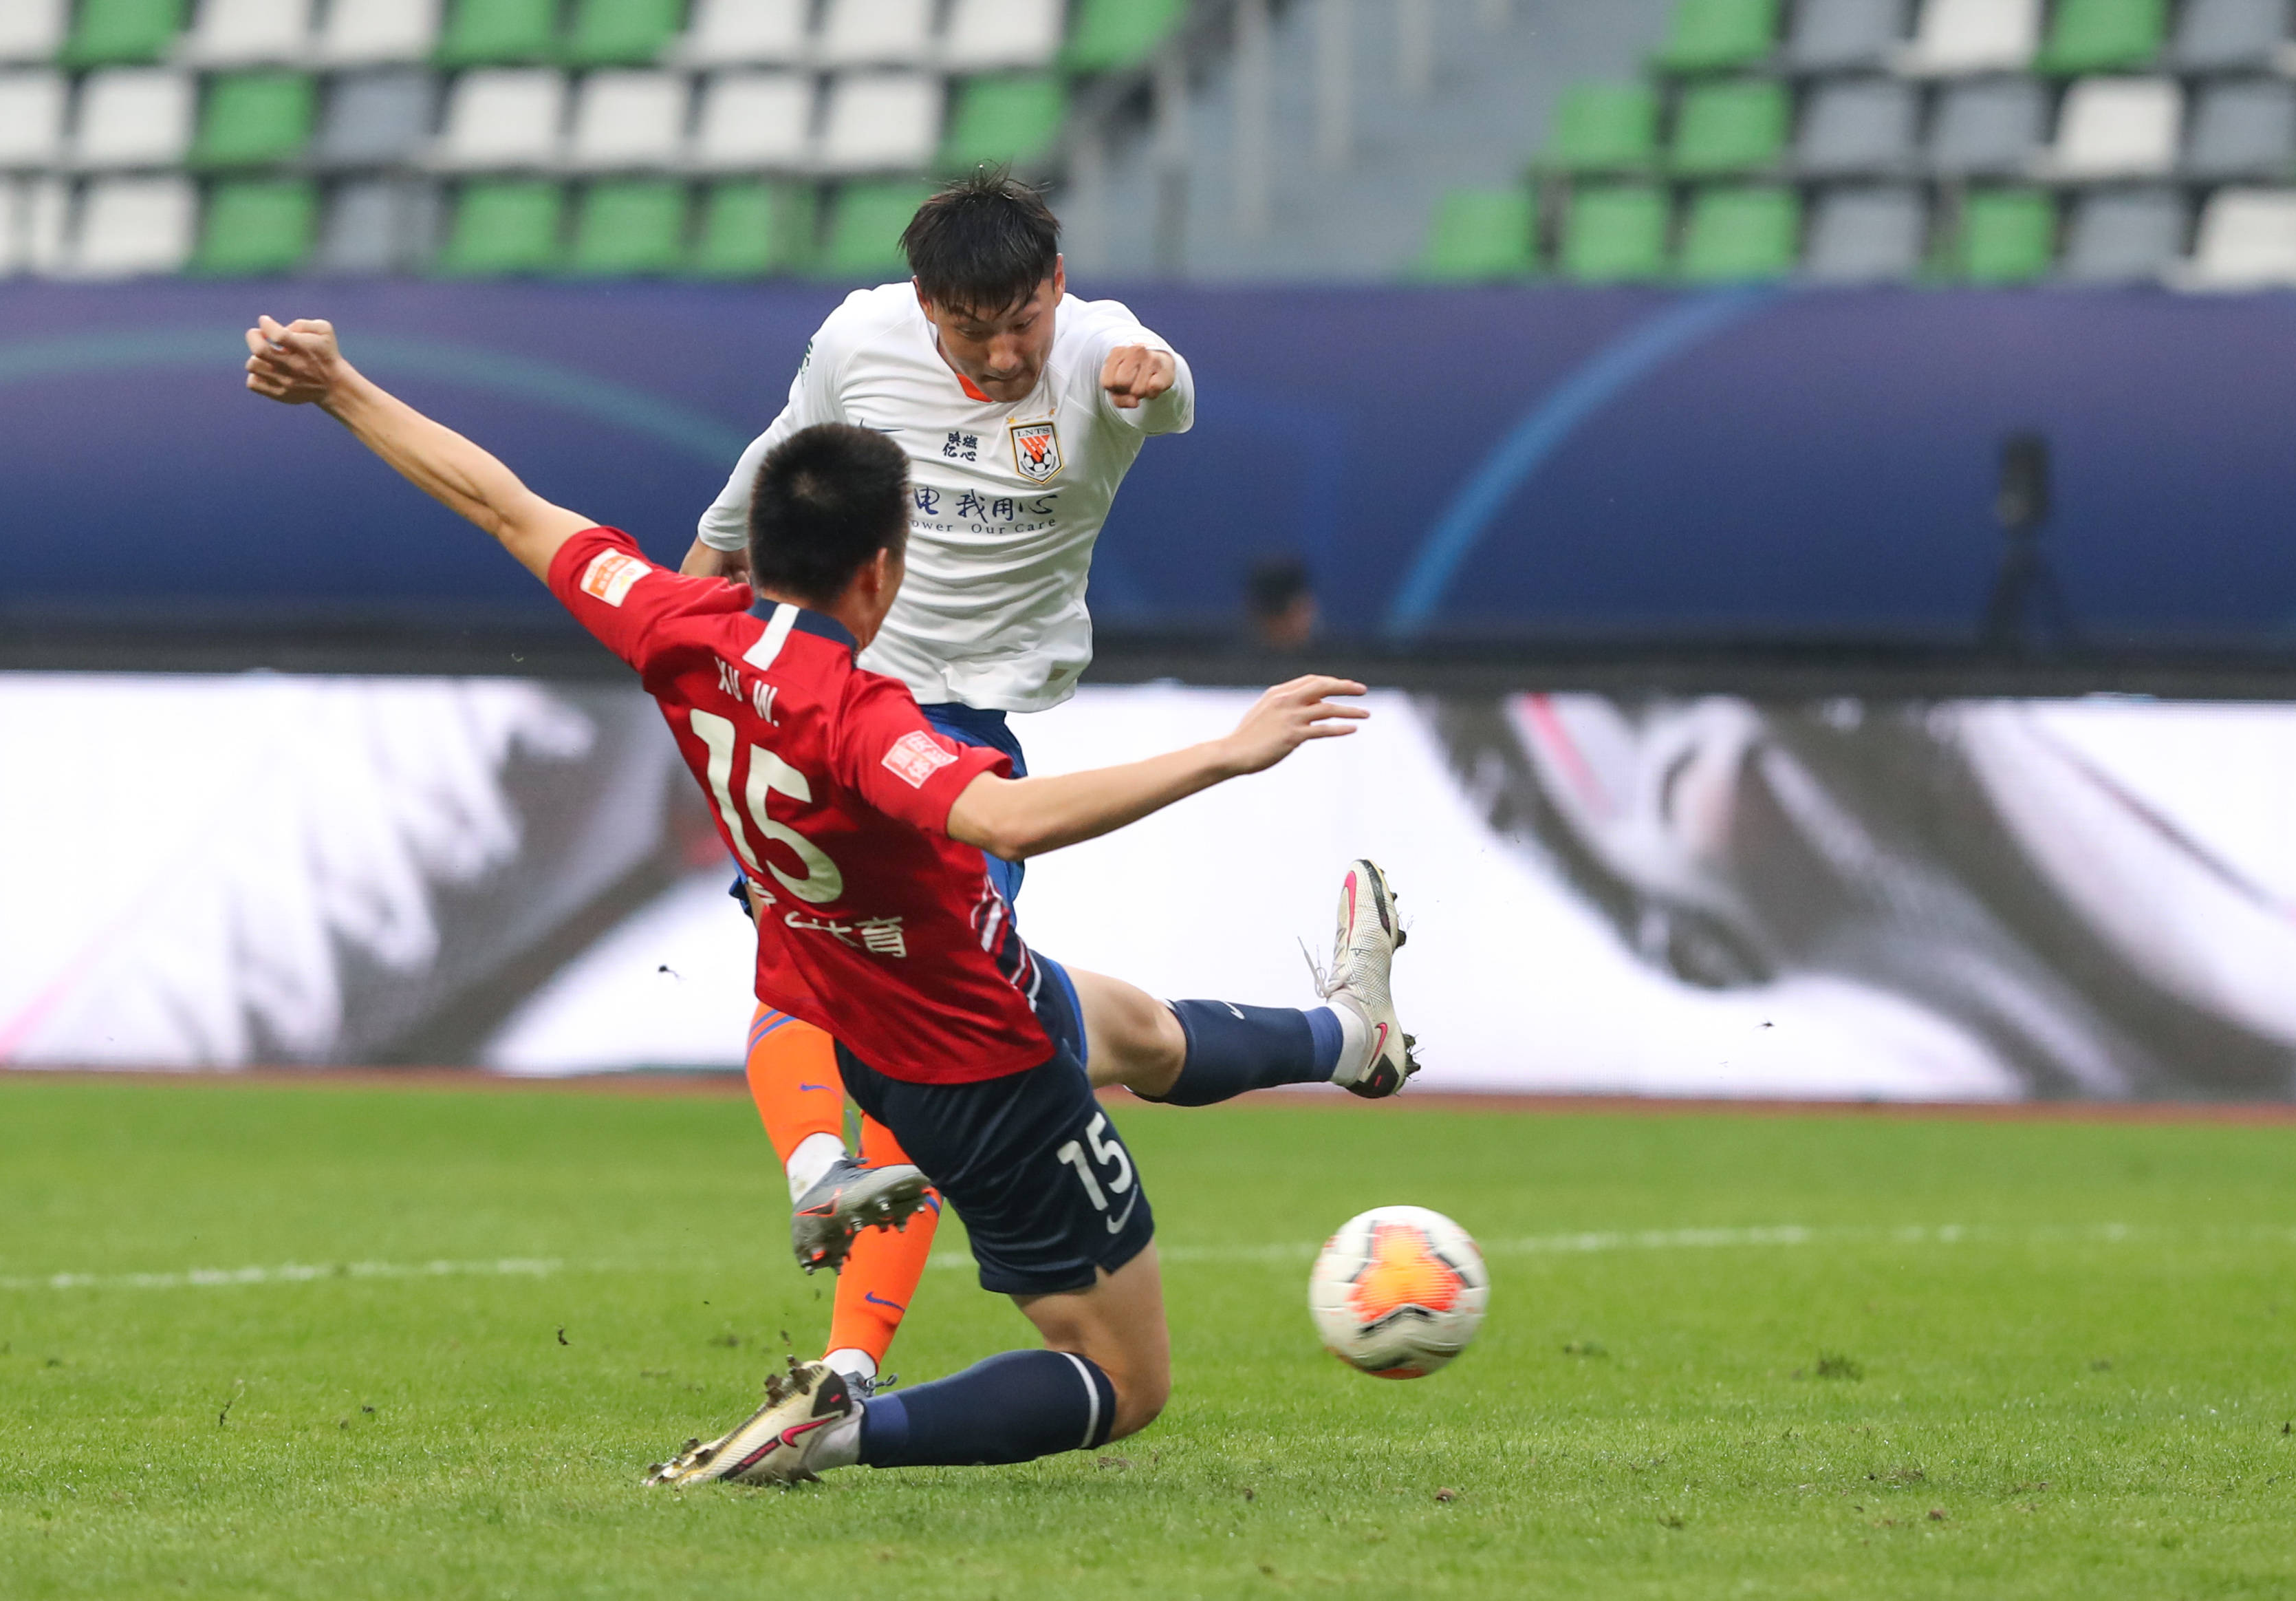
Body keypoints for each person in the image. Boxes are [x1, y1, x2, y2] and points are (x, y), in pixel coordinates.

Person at [240, 314, 1418, 1487]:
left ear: (754, 542)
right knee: (1121, 1379)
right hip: (977, 1056)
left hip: (874, 1013)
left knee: (1140, 1035)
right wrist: (1229, 749)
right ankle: (836, 1432)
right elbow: (1006, 818)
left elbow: (501, 503)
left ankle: (1352, 1039)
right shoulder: (858, 716)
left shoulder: (672, 622)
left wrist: (338, 386)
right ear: (882, 572)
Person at [683, 171, 1199, 1392]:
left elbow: (1163, 383)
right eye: (974, 334)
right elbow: (777, 464)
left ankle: (850, 1357)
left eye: (1023, 320)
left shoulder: (1096, 353)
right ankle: (828, 1226)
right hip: (837, 691)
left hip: (969, 734)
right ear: (926, 309)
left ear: (1054, 288)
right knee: (831, 966)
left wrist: (1152, 378)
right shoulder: (859, 339)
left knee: (935, 1023)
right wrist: (699, 605)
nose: (1006, 353)